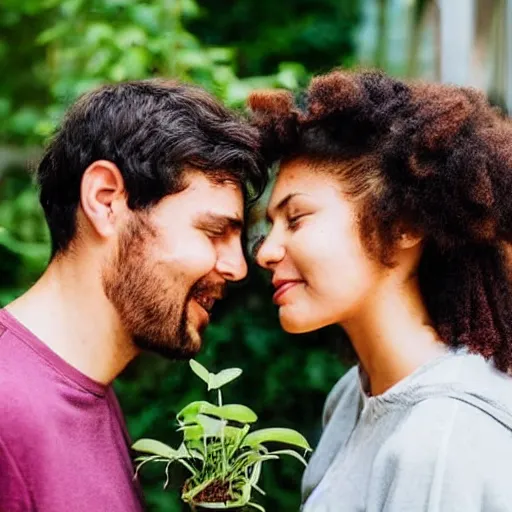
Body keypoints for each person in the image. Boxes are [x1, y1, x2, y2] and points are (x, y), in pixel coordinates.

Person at [249, 70, 512, 511]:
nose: (266, 253)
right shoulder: (352, 395)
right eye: (270, 226)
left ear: (403, 224)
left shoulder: (444, 441)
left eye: (296, 219)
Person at [0, 79, 266, 511]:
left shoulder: (90, 394)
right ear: (106, 202)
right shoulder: (8, 413)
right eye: (215, 231)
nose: (236, 267)